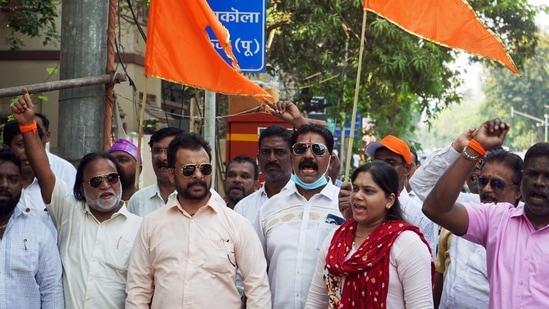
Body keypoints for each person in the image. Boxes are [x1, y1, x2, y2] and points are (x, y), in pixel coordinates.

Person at [12, 88, 143, 309]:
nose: (105, 185)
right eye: (95, 181)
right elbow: (44, 171)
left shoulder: (140, 229)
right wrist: (27, 126)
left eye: (112, 178)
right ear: (81, 189)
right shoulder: (69, 212)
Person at [125, 132, 271, 308]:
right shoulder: (151, 224)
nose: (198, 175)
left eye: (205, 168)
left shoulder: (236, 224)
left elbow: (258, 288)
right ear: (172, 175)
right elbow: (138, 290)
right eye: (189, 169)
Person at [422, 118, 549, 308]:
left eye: (548, 176)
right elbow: (435, 208)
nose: (539, 182)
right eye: (532, 174)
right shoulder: (497, 218)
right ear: (522, 181)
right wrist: (476, 147)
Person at [410, 129, 522, 308]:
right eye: (482, 181)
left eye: (497, 184)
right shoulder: (467, 208)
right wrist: (458, 147)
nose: (486, 189)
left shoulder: (528, 222)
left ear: (518, 190)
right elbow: (420, 184)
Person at [305, 161, 434, 308]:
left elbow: (421, 305)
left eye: (368, 191)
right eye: (355, 189)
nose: (357, 196)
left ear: (389, 200)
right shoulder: (336, 237)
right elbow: (316, 301)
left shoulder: (407, 243)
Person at [256, 124, 344, 309]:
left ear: (331, 159)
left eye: (318, 150)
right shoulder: (269, 208)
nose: (308, 156)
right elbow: (256, 271)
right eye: (300, 149)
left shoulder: (345, 207)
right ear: (291, 156)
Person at [0, 148, 64, 309]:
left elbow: (52, 290)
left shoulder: (39, 233)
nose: (4, 185)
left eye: (12, 179)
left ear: (21, 184)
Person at [127, 127, 224, 216]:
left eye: (168, 151)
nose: (162, 157)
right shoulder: (138, 200)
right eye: (157, 150)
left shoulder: (213, 201)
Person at [365, 134, 438, 254]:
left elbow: (427, 261)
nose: (382, 168)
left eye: (391, 162)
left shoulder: (420, 215)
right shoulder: (362, 205)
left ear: (407, 169)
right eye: (378, 162)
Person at [2, 120, 56, 237]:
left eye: (34, 146)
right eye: (21, 145)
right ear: (6, 148)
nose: (29, 152)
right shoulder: (3, 190)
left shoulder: (54, 187)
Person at [34, 112, 77, 186]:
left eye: (36, 131)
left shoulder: (65, 169)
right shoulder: (13, 167)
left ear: (47, 136)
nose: (30, 137)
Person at [108, 138, 141, 202]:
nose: (116, 164)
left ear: (139, 169)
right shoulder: (101, 203)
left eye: (123, 160)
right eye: (111, 161)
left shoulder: (146, 202)